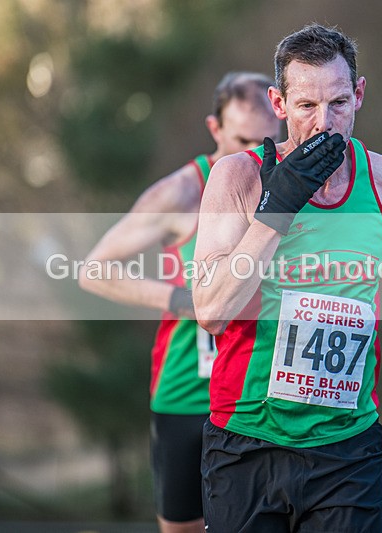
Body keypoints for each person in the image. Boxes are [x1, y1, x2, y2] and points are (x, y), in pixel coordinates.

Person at [193, 24, 382, 532]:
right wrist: (275, 212)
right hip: (248, 437)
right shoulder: (238, 179)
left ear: (358, 94)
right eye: (306, 107)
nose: (324, 122)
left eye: (338, 103)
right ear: (278, 103)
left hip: (347, 443)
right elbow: (210, 311)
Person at [79, 72, 281, 533]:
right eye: (243, 140)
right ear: (215, 129)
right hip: (190, 390)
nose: (256, 153)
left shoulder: (292, 181)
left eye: (268, 141)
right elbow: (94, 269)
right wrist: (183, 299)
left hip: (263, 391)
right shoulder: (183, 193)